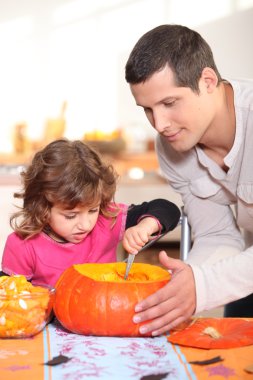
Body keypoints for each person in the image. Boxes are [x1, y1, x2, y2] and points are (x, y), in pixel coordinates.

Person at [125, 24, 253, 336]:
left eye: (169, 103)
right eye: (148, 110)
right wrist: (186, 282)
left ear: (208, 81)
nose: (160, 124)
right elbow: (217, 234)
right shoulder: (171, 144)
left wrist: (203, 285)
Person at [0, 138, 180, 287]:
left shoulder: (107, 220)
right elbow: (11, 299)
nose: (85, 224)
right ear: (42, 207)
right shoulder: (23, 245)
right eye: (71, 215)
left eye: (92, 210)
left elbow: (168, 209)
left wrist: (145, 226)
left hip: (105, 317)